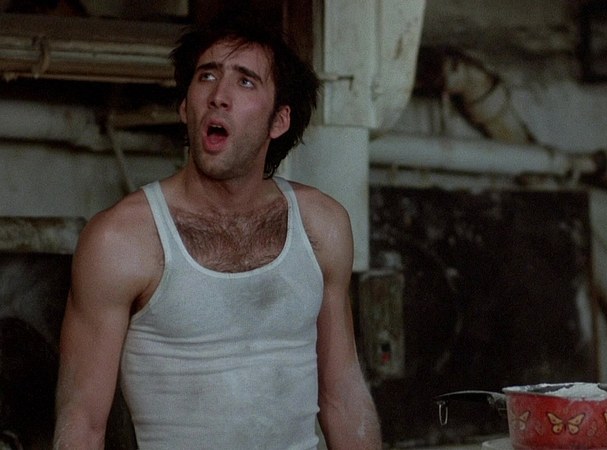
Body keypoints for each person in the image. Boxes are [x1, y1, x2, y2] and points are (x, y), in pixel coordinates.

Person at [52, 8, 382, 450]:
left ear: (279, 120)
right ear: (185, 106)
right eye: (206, 76)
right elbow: (82, 421)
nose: (219, 96)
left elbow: (343, 393)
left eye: (246, 81)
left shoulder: (322, 224)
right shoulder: (121, 239)